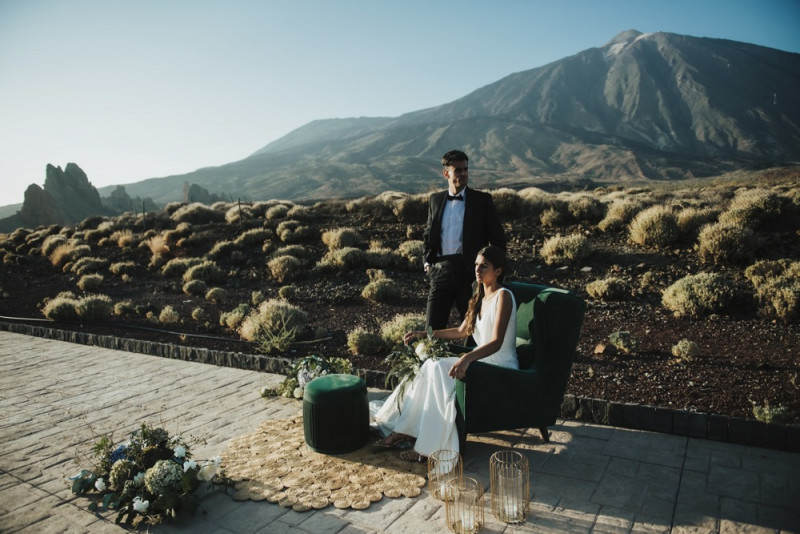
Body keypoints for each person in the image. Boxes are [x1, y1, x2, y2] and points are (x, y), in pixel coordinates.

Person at [372, 245, 518, 462]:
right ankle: (406, 430)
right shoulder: (479, 295)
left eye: (484, 266)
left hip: (499, 366)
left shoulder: (503, 296)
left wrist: (467, 358)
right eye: (476, 265)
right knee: (431, 365)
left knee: (439, 368)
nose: (478, 270)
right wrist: (426, 333)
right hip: (481, 360)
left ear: (498, 270)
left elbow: (496, 343)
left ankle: (427, 448)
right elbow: (461, 331)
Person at [423, 150, 506, 331]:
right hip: (440, 272)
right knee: (431, 329)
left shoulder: (482, 200)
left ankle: (471, 360)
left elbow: (498, 239)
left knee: (473, 329)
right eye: (458, 170)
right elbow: (429, 234)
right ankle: (430, 360)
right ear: (446, 173)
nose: (463, 174)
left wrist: (492, 273)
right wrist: (427, 262)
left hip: (471, 273)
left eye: (466, 170)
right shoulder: (435, 200)